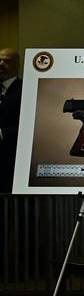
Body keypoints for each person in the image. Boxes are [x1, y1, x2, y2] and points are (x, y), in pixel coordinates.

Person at [0, 48, 21, 194]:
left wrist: (1, 133)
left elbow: (27, 125)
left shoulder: (24, 89)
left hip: (10, 159)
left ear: (17, 66)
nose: (1, 64)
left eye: (6, 61)